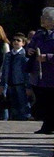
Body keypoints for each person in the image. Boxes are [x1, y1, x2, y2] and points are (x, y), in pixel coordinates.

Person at [25, 7, 54, 135]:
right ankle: (47, 125)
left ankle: (49, 125)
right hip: (40, 75)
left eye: (45, 17)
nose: (42, 19)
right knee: (44, 101)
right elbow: (31, 45)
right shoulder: (40, 33)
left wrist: (47, 57)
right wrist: (29, 49)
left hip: (51, 73)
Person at [3, 34, 31, 121]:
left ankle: (25, 118)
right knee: (13, 103)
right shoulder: (8, 55)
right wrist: (3, 83)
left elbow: (27, 72)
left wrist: (28, 86)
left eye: (18, 40)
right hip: (10, 82)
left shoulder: (24, 55)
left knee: (23, 103)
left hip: (21, 83)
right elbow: (5, 70)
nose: (15, 42)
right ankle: (15, 119)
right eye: (14, 40)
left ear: (23, 43)